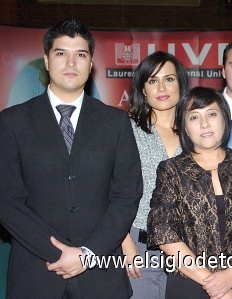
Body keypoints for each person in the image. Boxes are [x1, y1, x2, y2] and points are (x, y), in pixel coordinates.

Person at [0, 18, 143, 298]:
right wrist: (57, 252)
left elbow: (127, 195)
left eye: (80, 55)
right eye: (61, 53)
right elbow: (7, 200)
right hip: (35, 274)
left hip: (100, 276)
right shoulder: (12, 122)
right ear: (46, 61)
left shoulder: (115, 122)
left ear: (90, 65)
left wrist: (88, 255)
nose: (71, 63)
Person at [148, 86, 232, 299]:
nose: (204, 124)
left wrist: (230, 276)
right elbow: (164, 232)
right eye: (194, 117)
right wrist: (216, 286)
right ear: (184, 127)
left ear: (225, 119)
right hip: (189, 283)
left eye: (211, 114)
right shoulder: (171, 170)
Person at [121, 51, 189, 298]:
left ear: (181, 84)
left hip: (190, 251)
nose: (162, 87)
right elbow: (107, 190)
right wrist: (124, 243)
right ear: (143, 90)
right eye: (152, 80)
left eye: (169, 79)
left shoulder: (196, 133)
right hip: (138, 248)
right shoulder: (126, 131)